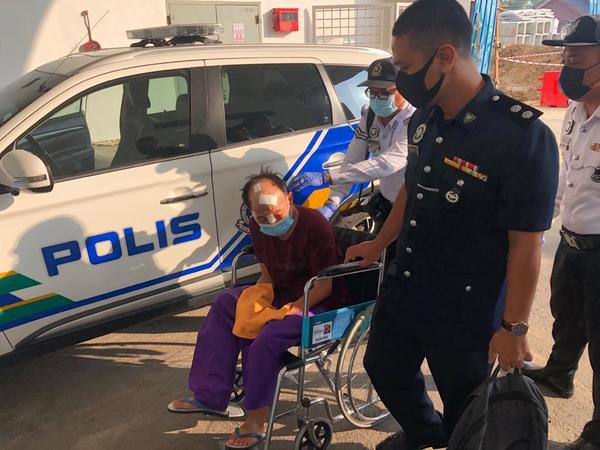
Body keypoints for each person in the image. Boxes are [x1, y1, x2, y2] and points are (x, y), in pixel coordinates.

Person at [344, 1, 559, 448]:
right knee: (383, 366)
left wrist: (514, 329)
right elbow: (411, 188)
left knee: (467, 403)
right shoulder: (425, 119)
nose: (398, 79)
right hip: (408, 283)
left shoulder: (521, 136)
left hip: (466, 306)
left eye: (404, 66)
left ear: (444, 56)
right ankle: (426, 434)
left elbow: (526, 245)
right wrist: (379, 241)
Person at [168, 169, 348, 449]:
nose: (271, 221)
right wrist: (258, 301)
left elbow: (325, 285)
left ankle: (255, 421)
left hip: (318, 300)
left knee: (267, 336)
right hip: (281, 292)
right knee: (225, 304)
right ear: (251, 213)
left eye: (276, 213)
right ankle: (211, 394)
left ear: (289, 198)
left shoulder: (315, 226)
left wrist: (292, 308)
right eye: (262, 217)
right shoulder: (258, 227)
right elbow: (267, 274)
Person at [522, 15, 600, 450]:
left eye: (578, 58)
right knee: (565, 318)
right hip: (571, 241)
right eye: (566, 57)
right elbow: (566, 175)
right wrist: (542, 221)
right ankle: (559, 374)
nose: (567, 66)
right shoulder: (574, 110)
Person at [288, 57, 414, 229]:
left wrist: (327, 177)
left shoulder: (414, 120)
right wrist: (332, 203)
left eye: (384, 93)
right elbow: (352, 160)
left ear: (403, 89)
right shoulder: (370, 116)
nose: (377, 98)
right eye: (372, 92)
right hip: (388, 202)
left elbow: (388, 163)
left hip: (413, 208)